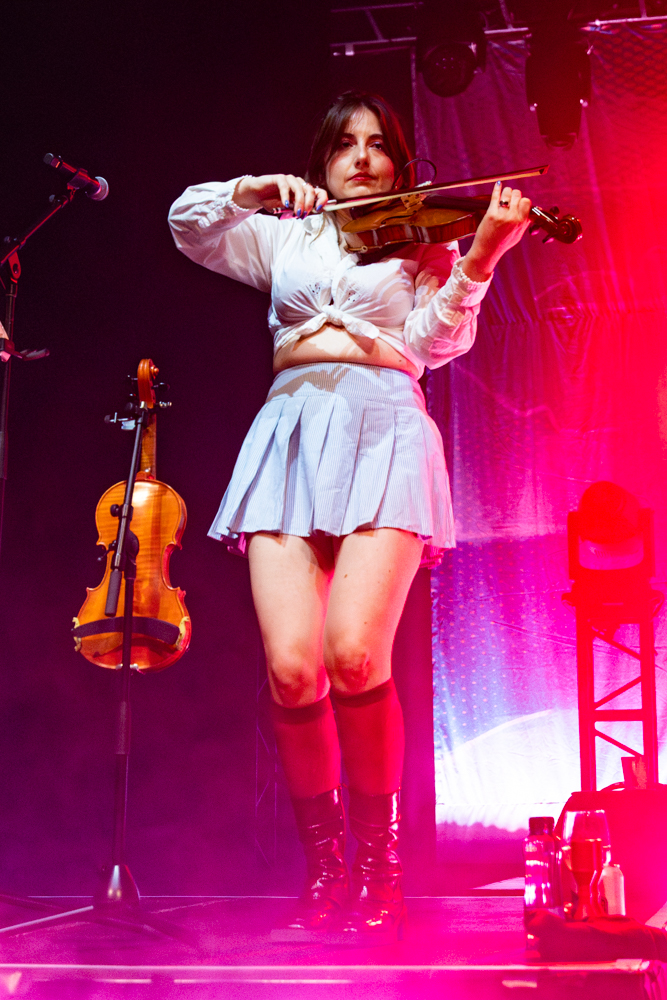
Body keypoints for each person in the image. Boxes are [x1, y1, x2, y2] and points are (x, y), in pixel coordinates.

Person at [168, 91, 531, 941]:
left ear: (399, 165)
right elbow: (188, 225)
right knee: (293, 670)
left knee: (355, 655)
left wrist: (479, 255)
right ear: (323, 162)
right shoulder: (286, 235)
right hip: (290, 433)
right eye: (344, 145)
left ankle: (379, 871)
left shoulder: (423, 239)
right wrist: (259, 189)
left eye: (377, 145)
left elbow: (437, 342)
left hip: (384, 429)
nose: (361, 157)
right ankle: (325, 871)